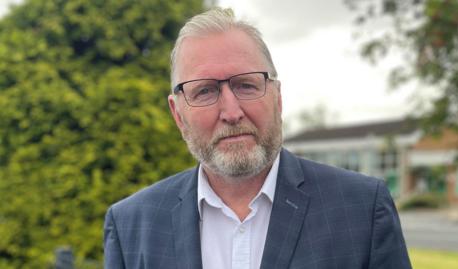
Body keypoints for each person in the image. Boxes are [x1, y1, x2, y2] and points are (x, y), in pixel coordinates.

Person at [104, 7, 412, 269]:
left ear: (277, 98)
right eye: (205, 91)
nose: (231, 111)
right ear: (178, 114)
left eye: (246, 86)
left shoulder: (361, 210)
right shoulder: (131, 225)